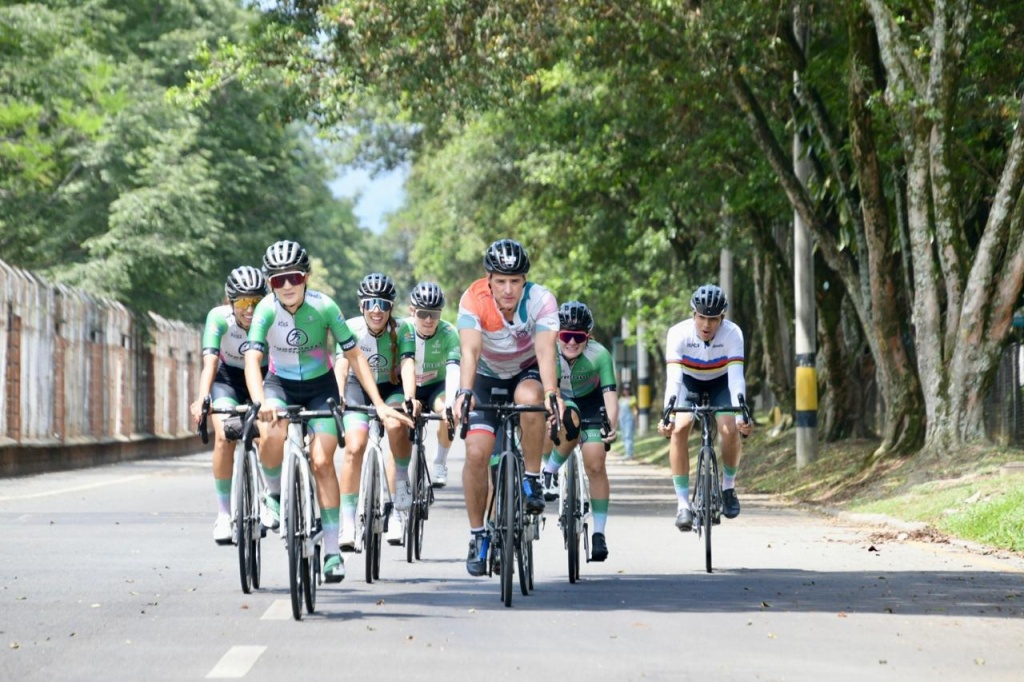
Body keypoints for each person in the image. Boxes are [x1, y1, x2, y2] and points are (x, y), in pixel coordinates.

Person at [244, 241, 411, 584]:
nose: (287, 285)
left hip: (321, 389)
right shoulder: (264, 310)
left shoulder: (324, 307)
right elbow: (252, 359)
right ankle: (273, 494)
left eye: (293, 277)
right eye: (278, 281)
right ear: (271, 284)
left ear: (305, 277)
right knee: (271, 431)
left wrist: (379, 402)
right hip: (279, 384)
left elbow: (354, 356)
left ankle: (333, 551)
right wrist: (260, 401)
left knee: (322, 462)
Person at [453, 238, 563, 577]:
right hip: (485, 375)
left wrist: (552, 393)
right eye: (500, 281)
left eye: (515, 281)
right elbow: (470, 352)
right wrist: (465, 391)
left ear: (525, 280)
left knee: (531, 400)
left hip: (525, 371)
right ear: (489, 279)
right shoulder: (472, 299)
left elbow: (546, 352)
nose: (508, 289)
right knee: (476, 453)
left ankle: (531, 478)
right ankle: (477, 535)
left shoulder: (542, 301)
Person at [657, 284, 753, 531]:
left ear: (723, 317)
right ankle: (682, 505)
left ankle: (728, 488)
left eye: (713, 319)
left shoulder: (733, 334)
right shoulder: (678, 334)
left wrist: (742, 413)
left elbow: (736, 378)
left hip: (721, 381)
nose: (706, 325)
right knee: (681, 428)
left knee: (729, 428)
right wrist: (667, 413)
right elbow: (674, 380)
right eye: (701, 317)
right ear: (693, 315)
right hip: (688, 382)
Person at [333, 272, 419, 549]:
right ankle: (347, 521)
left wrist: (408, 397)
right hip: (359, 387)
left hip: (391, 387)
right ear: (361, 306)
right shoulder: (350, 328)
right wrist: (339, 395)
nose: (377, 310)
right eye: (371, 303)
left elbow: (407, 364)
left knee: (396, 426)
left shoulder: (404, 329)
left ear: (391, 307)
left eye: (383, 304)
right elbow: (342, 365)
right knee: (354, 446)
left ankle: (397, 501)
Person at [190, 266, 269, 544]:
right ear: (229, 301)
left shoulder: (271, 317)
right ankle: (224, 514)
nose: (250, 309)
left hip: (262, 376)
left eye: (256, 302)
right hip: (227, 380)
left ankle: (267, 496)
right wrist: (202, 398)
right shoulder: (218, 318)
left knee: (266, 436)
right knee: (224, 436)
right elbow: (210, 362)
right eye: (243, 302)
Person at [540, 301, 618, 561]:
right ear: (557, 335)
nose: (571, 342)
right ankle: (548, 471)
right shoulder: (547, 350)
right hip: (561, 400)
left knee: (595, 462)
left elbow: (610, 395)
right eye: (565, 336)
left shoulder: (600, 354)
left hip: (592, 403)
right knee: (568, 419)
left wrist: (611, 425)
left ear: (589, 336)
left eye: (579, 337)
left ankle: (599, 533)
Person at [406, 282, 461, 488]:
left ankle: (440, 461)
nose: (429, 320)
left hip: (436, 386)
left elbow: (454, 369)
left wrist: (450, 404)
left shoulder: (448, 332)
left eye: (434, 314)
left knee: (451, 414)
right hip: (409, 386)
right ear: (412, 311)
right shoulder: (402, 329)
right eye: (422, 314)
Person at [618, 383, 637, 459]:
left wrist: (636, 420)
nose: (626, 391)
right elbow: (618, 410)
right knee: (624, 436)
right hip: (622, 419)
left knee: (628, 436)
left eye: (628, 389)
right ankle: (627, 452)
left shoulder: (633, 398)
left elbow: (635, 410)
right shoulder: (621, 399)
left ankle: (629, 453)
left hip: (629, 419)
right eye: (625, 389)